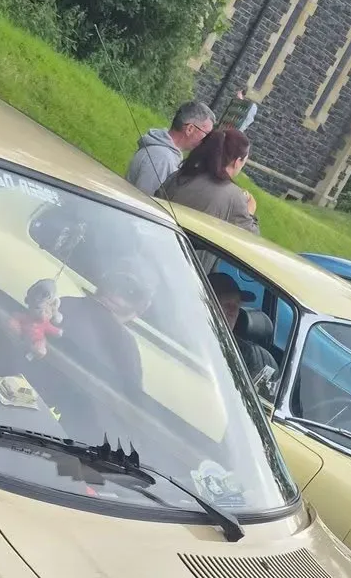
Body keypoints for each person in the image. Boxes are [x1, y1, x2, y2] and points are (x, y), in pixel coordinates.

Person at [39, 259, 155, 443]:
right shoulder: (126, 345)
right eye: (117, 284)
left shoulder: (64, 306)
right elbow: (131, 414)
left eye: (130, 292)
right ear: (138, 311)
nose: (118, 294)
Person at [157, 124, 260, 235]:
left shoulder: (179, 175)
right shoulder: (235, 197)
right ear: (237, 162)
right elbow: (250, 237)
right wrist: (249, 213)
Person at [126, 99, 214, 195]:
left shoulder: (167, 154)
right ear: (190, 129)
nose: (207, 140)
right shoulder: (162, 158)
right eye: (207, 134)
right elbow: (144, 200)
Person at [210, 274, 279, 396]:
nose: (233, 312)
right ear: (208, 305)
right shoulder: (193, 337)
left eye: (237, 306)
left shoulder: (250, 357)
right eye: (228, 305)